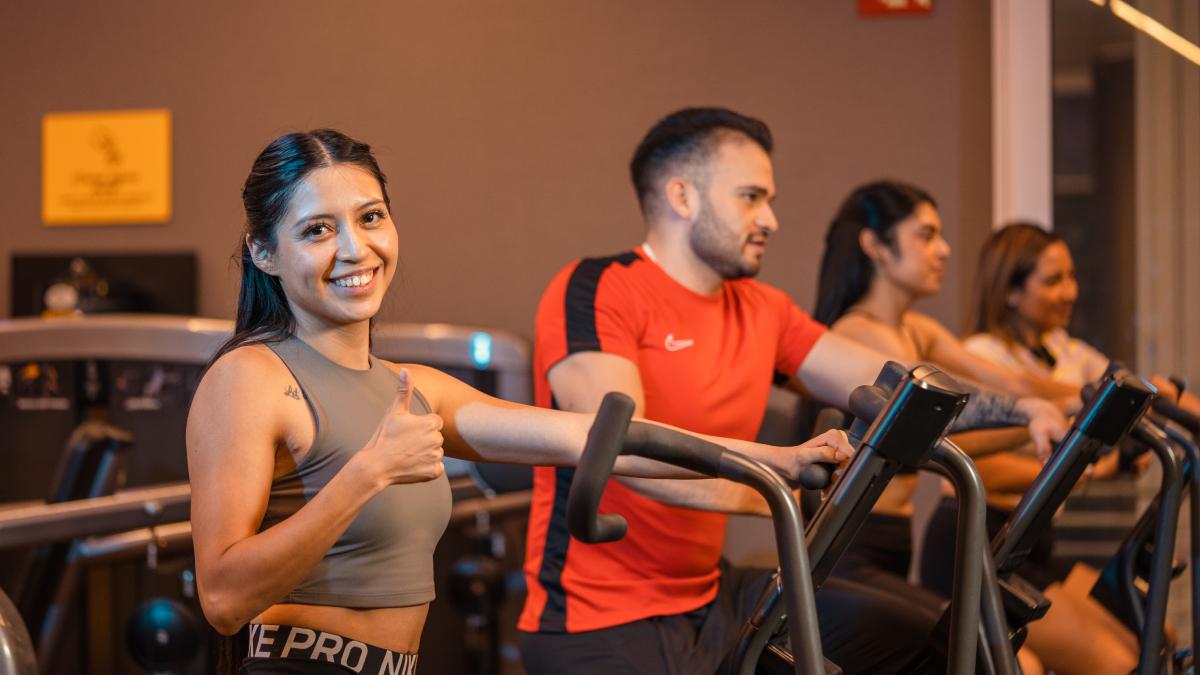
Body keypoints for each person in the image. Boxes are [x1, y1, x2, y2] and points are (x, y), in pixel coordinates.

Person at [185, 129, 857, 675]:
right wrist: (367, 473)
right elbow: (222, 596)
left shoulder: (414, 388)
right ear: (264, 252)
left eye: (370, 217)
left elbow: (599, 438)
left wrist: (780, 459)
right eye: (317, 231)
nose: (356, 248)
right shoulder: (251, 377)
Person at [517, 109, 1067, 675]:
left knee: (940, 644)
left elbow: (899, 388)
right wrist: (772, 474)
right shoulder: (596, 289)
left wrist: (1023, 409)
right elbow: (621, 449)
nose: (771, 219)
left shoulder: (762, 311)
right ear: (682, 196)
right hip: (593, 621)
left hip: (710, 598)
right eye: (751, 197)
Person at [811, 182, 1132, 675]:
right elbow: (941, 426)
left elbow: (1011, 384)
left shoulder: (916, 328)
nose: (944, 249)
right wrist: (1048, 413)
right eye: (927, 235)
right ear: (876, 246)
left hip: (892, 553)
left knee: (1007, 651)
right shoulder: (860, 337)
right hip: (848, 558)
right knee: (1004, 657)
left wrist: (1069, 397)